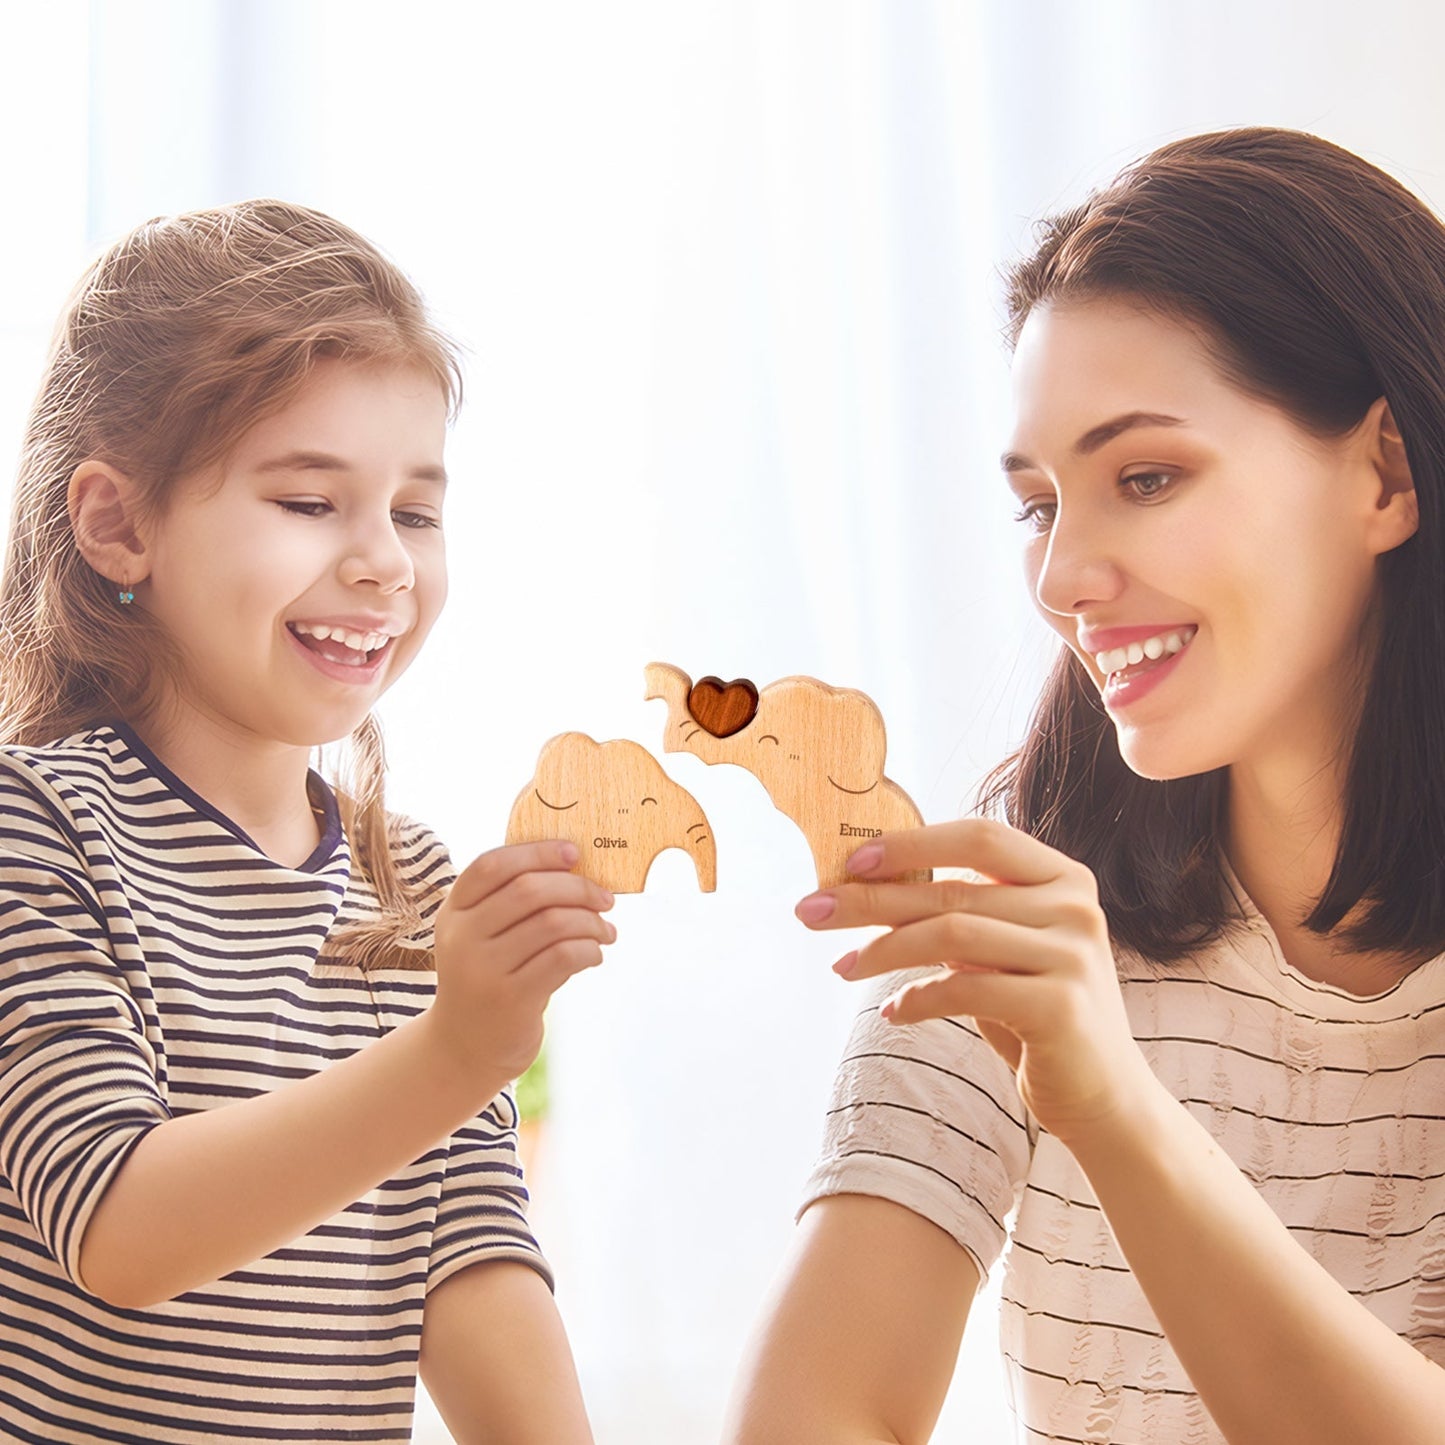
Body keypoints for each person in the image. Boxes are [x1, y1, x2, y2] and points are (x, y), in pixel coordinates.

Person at [723, 127, 1445, 1444]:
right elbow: (814, 1412)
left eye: (1144, 478)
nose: (1061, 578)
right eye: (1040, 503)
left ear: (1385, 473)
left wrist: (1113, 1110)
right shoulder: (1026, 910)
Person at [0, 201, 613, 1443]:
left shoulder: (411, 875)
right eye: (308, 501)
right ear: (119, 524)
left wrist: (462, 1050)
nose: (386, 562)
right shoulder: (34, 829)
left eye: (415, 512)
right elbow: (117, 1223)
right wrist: (454, 1050)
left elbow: (469, 1259)